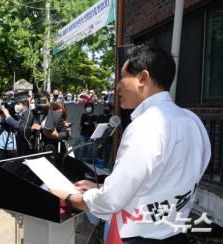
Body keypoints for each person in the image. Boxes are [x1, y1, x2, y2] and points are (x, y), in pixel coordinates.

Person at [51, 46, 211, 243]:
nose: (117, 86)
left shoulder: (145, 126)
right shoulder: (191, 120)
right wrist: (102, 186)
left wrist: (68, 198)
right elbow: (165, 179)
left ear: (143, 78)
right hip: (175, 232)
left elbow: (111, 201)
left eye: (122, 77)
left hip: (139, 237)